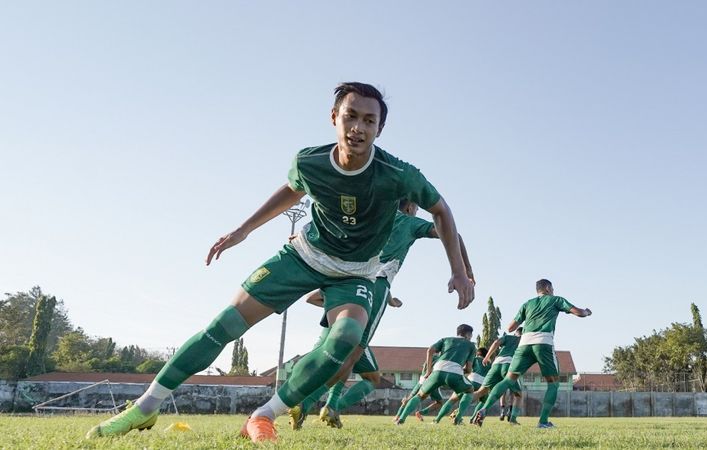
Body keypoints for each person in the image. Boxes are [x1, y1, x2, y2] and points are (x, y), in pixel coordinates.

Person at [87, 82, 475, 443]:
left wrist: (458, 271)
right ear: (334, 118)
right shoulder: (310, 161)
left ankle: (264, 415)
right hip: (303, 256)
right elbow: (291, 190)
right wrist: (244, 229)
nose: (358, 127)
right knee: (224, 325)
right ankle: (144, 407)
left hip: (356, 272)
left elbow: (442, 212)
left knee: (345, 341)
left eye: (368, 121)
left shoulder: (398, 174)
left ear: (379, 129)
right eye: (351, 116)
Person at [288, 199, 474, 429]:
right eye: (415, 207)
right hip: (375, 287)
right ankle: (309, 404)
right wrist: (466, 271)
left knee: (343, 358)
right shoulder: (408, 221)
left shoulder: (375, 216)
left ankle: (325, 405)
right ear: (409, 208)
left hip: (346, 281)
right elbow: (452, 234)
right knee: (352, 357)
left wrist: (306, 242)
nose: (415, 211)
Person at [473, 279, 590, 429]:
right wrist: (587, 311)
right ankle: (543, 421)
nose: (553, 291)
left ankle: (484, 409)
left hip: (524, 344)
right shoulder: (556, 300)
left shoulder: (527, 304)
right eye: (552, 288)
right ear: (548, 288)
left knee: (508, 380)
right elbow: (579, 312)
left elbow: (510, 328)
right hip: (543, 343)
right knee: (553, 384)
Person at [395, 324, 477, 424]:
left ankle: (401, 419)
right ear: (468, 335)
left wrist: (429, 371)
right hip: (455, 374)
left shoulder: (445, 340)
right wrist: (462, 371)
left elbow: (430, 350)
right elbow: (468, 369)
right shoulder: (471, 345)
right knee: (470, 390)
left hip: (437, 372)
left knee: (419, 395)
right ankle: (458, 418)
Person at [467, 327, 523, 424]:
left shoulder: (508, 337)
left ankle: (460, 409)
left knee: (482, 391)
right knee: (518, 394)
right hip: (509, 366)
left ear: (515, 333)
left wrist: (487, 357)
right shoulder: (524, 341)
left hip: (496, 365)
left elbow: (496, 342)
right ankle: (512, 419)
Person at [433, 347, 490, 424]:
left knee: (452, 400)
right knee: (483, 402)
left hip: (471, 381)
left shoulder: (474, 359)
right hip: (483, 384)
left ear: (477, 353)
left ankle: (437, 419)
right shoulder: (489, 364)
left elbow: (465, 369)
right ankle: (473, 419)